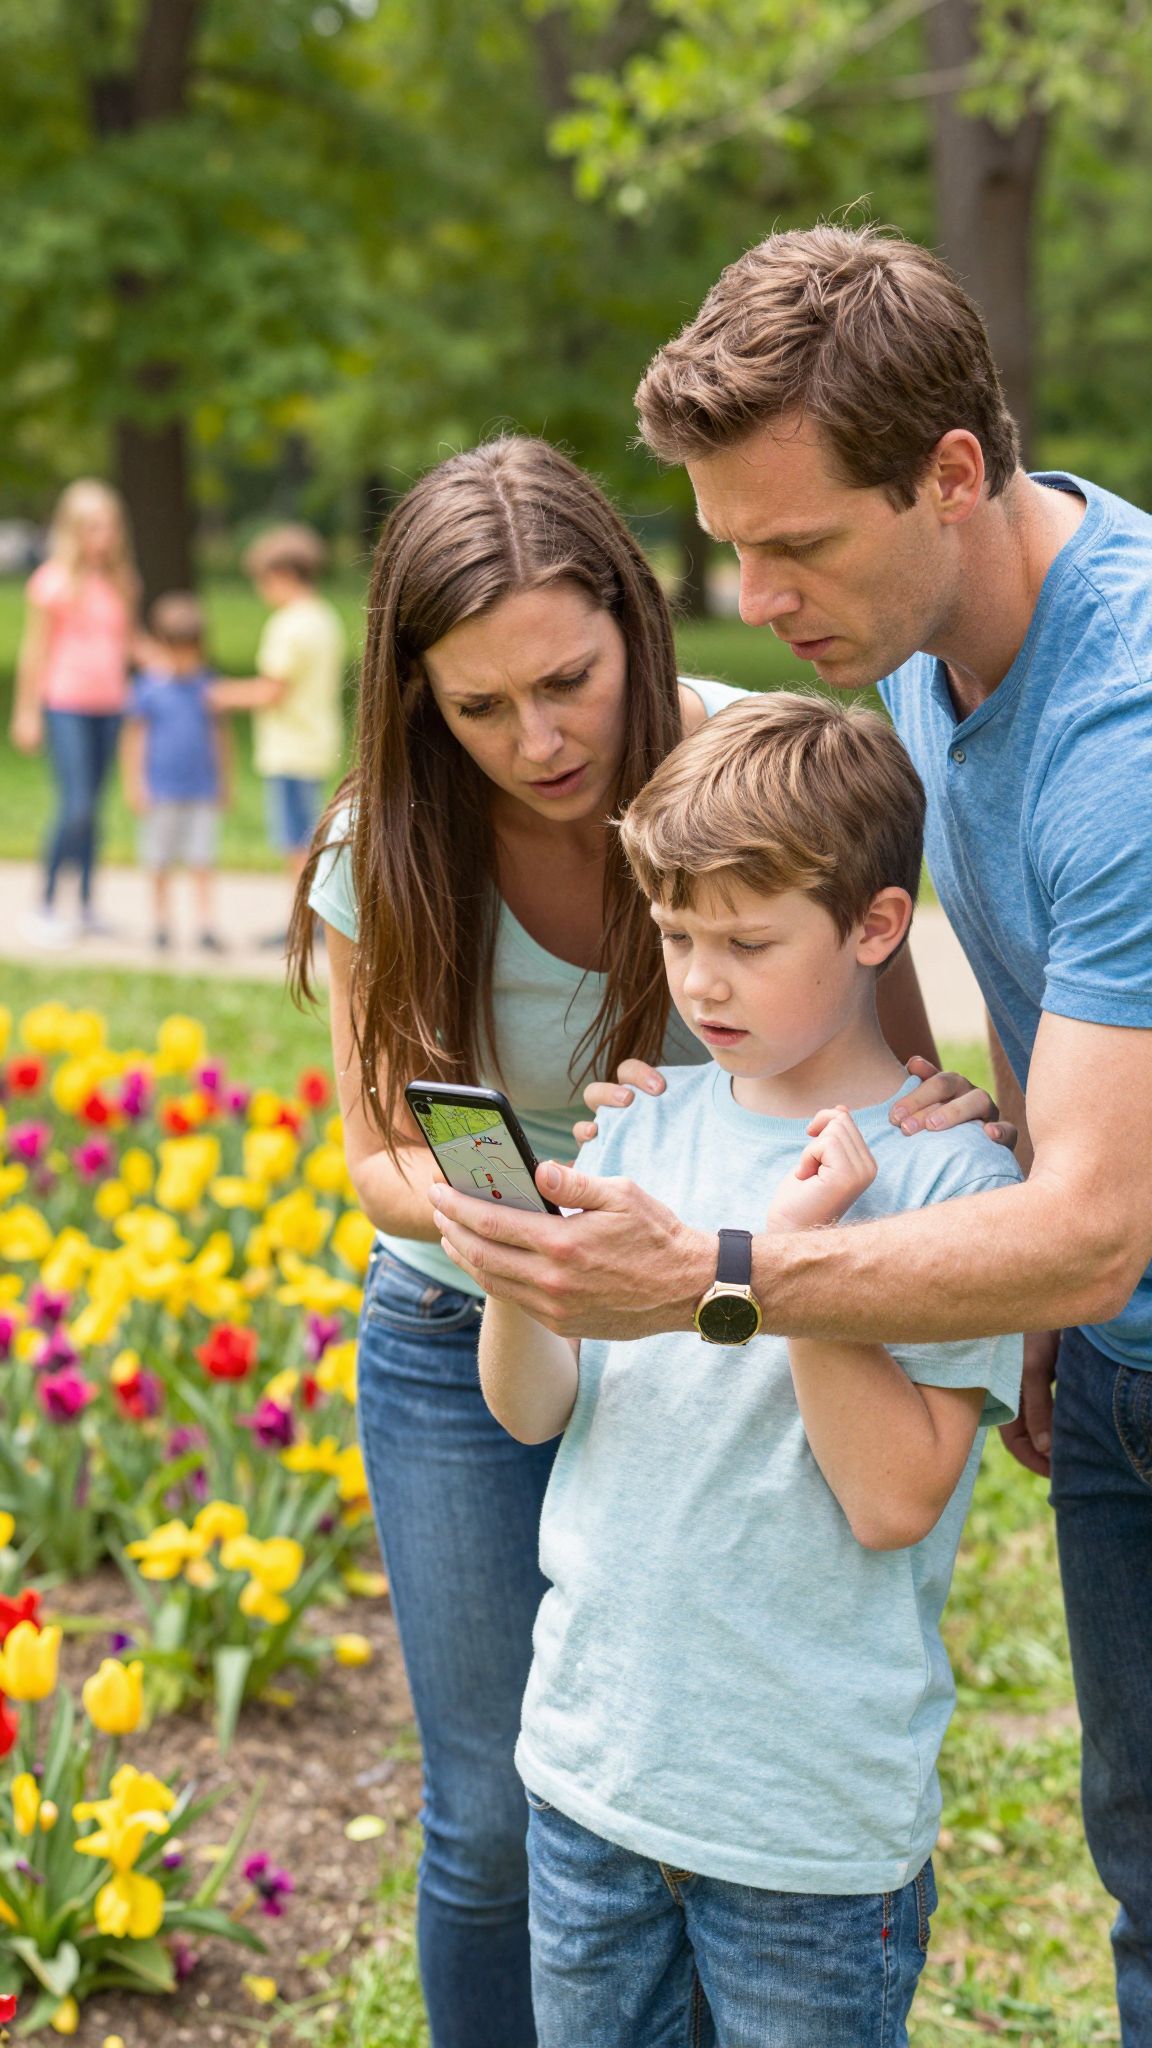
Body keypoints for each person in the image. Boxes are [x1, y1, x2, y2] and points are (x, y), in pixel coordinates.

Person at [427, 229, 1152, 2041]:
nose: (753, 596)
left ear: (954, 475)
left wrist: (731, 1271)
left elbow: (1087, 1220)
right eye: (729, 539)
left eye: (796, 542)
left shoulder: (1124, 731)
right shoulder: (921, 645)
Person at [289, 436, 1005, 2048]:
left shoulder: (743, 783)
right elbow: (377, 1155)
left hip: (726, 1308)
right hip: (487, 1304)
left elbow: (870, 1045)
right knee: (496, 1812)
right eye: (479, 708)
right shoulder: (386, 842)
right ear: (418, 703)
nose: (537, 740)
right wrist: (546, 1226)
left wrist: (940, 1136)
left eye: (569, 681)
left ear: (633, 621)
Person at [475, 693, 1023, 2047]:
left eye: (747, 941)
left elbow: (895, 1502)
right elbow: (538, 1410)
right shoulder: (640, 1131)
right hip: (594, 1777)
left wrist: (786, 1267)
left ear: (875, 928)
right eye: (675, 935)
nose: (701, 980)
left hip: (804, 1835)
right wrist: (518, 1274)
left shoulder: (953, 1180)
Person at [9, 478, 139, 946]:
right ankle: (43, 903)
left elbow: (128, 646)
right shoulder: (52, 582)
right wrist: (25, 713)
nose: (106, 536)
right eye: (95, 527)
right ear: (74, 529)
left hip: (110, 705)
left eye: (111, 526)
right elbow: (34, 651)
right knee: (76, 805)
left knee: (96, 809)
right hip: (65, 705)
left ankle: (84, 904)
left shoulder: (121, 582)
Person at [240, 524, 346, 936]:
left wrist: (215, 695)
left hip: (289, 748)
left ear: (282, 574)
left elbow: (271, 690)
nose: (261, 590)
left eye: (262, 580)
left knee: (296, 841)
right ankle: (313, 918)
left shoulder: (288, 625)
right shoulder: (324, 617)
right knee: (309, 833)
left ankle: (306, 923)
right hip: (317, 741)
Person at [120, 591, 230, 954]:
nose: (184, 658)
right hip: (162, 789)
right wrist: (135, 783)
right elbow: (135, 739)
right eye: (177, 648)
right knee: (159, 858)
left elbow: (219, 735)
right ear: (162, 645)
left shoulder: (206, 687)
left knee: (202, 858)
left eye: (191, 649)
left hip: (200, 788)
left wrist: (224, 780)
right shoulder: (149, 689)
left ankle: (206, 922)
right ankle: (161, 921)